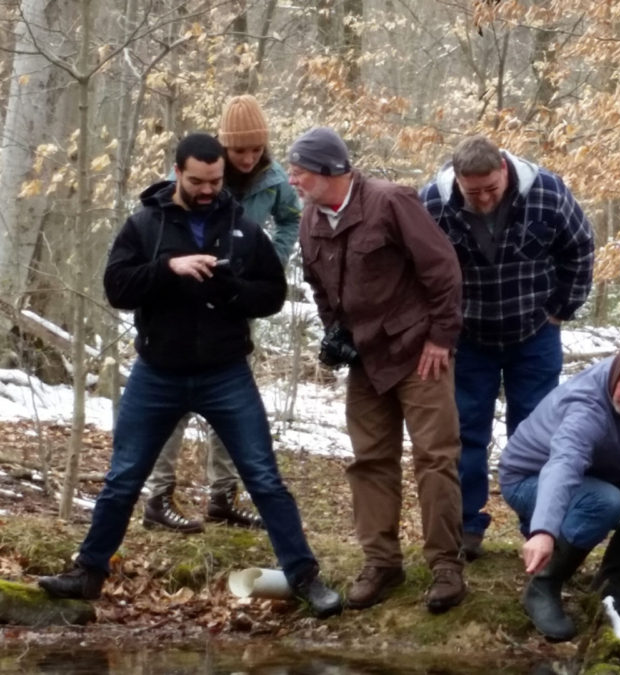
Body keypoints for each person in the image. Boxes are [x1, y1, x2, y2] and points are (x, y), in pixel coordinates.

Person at [36, 133, 341, 618]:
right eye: (197, 181)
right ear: (178, 173)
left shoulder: (241, 226)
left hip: (226, 373)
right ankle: (89, 572)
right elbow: (117, 287)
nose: (207, 190)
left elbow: (272, 295)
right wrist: (168, 268)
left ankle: (304, 578)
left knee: (264, 477)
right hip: (158, 372)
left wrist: (232, 289)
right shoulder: (145, 225)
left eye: (215, 181)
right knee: (123, 478)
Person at [289, 126, 467, 614]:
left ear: (329, 171)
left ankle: (447, 567)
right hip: (365, 361)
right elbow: (319, 286)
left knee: (435, 457)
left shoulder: (391, 202)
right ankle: (382, 563)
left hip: (418, 352)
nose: (292, 180)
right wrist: (336, 334)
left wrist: (441, 337)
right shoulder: (310, 219)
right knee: (368, 460)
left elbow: (443, 269)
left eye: (299, 172)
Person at [420, 135, 595, 560]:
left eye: (490, 190)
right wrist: (438, 328)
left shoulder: (547, 193)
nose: (481, 200)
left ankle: (537, 525)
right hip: (469, 337)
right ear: (457, 179)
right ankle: (466, 526)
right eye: (472, 192)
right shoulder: (432, 204)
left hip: (534, 334)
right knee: (465, 433)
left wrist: (561, 309)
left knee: (535, 433)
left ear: (503, 168)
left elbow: (581, 248)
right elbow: (419, 269)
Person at [143, 95, 302, 533]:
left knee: (229, 404)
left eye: (256, 150)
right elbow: (161, 222)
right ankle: (158, 496)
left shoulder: (275, 180)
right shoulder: (201, 173)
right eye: (239, 151)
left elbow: (293, 219)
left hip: (235, 298)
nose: (248, 159)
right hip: (180, 305)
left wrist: (271, 256)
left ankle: (223, 497)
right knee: (171, 404)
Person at [497, 337, 620, 642]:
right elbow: (563, 465)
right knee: (605, 502)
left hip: (602, 467)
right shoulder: (586, 410)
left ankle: (613, 580)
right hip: (530, 478)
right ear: (616, 373)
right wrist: (544, 530)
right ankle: (544, 585)